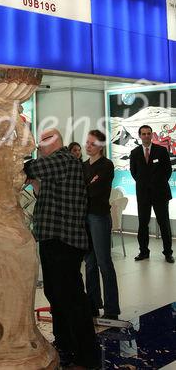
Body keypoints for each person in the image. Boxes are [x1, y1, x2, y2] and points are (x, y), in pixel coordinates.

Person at [24, 128, 101, 370]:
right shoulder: (58, 166)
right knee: (56, 295)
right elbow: (43, 193)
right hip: (53, 239)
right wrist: (36, 185)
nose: (38, 149)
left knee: (72, 299)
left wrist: (23, 168)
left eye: (41, 145)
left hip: (64, 241)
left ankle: (86, 357)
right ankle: (65, 345)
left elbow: (30, 169)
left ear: (53, 144)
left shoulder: (63, 159)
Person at [83, 129, 120, 320]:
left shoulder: (106, 165)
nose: (88, 146)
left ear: (101, 146)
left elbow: (95, 190)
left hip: (99, 217)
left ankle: (112, 309)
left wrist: (85, 188)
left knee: (104, 263)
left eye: (92, 144)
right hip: (85, 218)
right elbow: (84, 189)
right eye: (87, 143)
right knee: (90, 263)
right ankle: (93, 305)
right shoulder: (83, 166)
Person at [130, 124, 174, 263]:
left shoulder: (161, 151)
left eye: (148, 133)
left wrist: (157, 184)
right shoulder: (135, 152)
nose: (146, 136)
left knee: (164, 224)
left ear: (152, 134)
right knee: (143, 224)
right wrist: (144, 184)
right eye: (143, 134)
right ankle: (143, 252)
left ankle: (168, 253)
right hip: (143, 195)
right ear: (140, 136)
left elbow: (168, 171)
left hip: (160, 194)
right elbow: (134, 172)